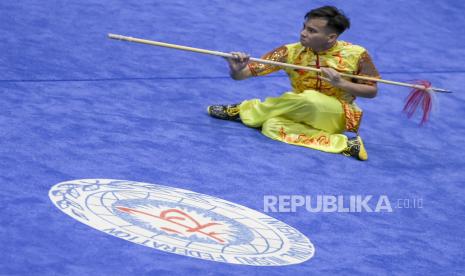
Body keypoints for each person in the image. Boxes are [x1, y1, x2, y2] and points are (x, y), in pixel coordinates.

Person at [207, 6, 380, 161]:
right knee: (271, 127)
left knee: (310, 98)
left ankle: (245, 110)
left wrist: (341, 83)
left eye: (312, 31)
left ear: (331, 37)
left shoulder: (357, 54)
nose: (303, 33)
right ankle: (345, 145)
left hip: (338, 115)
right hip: (299, 111)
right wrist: (237, 69)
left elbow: (371, 91)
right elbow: (243, 75)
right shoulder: (289, 52)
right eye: (304, 27)